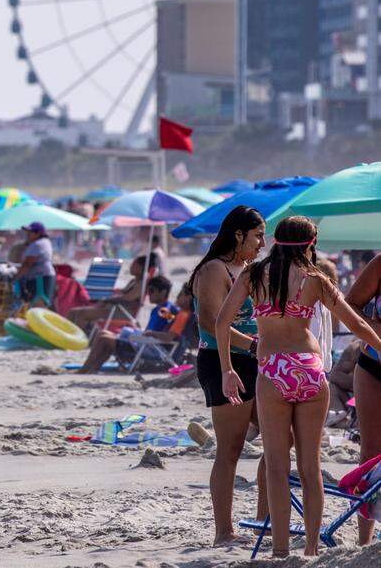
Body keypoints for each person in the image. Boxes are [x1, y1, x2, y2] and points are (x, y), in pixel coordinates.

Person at [217, 217, 381, 558]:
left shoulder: (253, 275)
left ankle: (279, 551)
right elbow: (356, 323)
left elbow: (221, 321)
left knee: (277, 466)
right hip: (308, 368)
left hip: (273, 370)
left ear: (276, 241)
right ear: (311, 243)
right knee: (310, 467)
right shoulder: (316, 279)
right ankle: (309, 550)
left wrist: (228, 370)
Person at [188, 205, 266, 547]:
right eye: (258, 235)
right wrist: (252, 346)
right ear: (238, 235)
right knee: (230, 449)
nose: (262, 243)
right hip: (223, 363)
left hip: (256, 360)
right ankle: (224, 531)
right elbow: (210, 322)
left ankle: (266, 519)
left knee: (280, 442)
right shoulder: (213, 270)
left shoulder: (251, 269)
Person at [345, 251, 381, 545]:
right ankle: (364, 541)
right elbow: (349, 304)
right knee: (370, 453)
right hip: (373, 365)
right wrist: (373, 327)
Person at [76, 276, 180, 373]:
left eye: (152, 291)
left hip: (149, 348)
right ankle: (93, 368)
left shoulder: (164, 310)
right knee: (103, 334)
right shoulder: (159, 309)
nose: (148, 294)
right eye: (148, 291)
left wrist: (151, 333)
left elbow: (172, 328)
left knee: (104, 338)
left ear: (163, 292)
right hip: (144, 344)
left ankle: (85, 368)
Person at [67, 255, 149, 331]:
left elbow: (127, 298)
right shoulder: (134, 281)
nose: (130, 267)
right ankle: (67, 338)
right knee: (73, 311)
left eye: (134, 265)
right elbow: (122, 293)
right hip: (114, 308)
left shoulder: (142, 284)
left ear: (141, 268)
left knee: (81, 314)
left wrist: (107, 300)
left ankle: (77, 341)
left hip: (121, 312)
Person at [14, 222, 56, 307]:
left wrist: (16, 277)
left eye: (30, 232)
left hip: (40, 278)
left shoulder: (38, 244)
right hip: (40, 276)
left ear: (38, 233)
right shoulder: (41, 242)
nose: (28, 234)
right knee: (36, 304)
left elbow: (27, 263)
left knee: (39, 303)